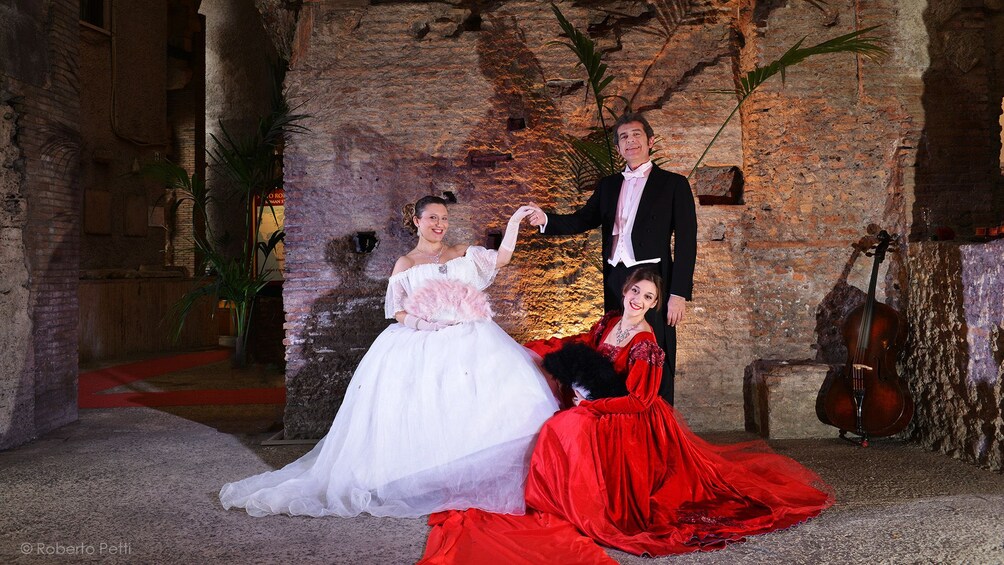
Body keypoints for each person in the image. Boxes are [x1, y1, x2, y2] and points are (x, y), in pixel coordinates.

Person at [421, 268, 833, 562]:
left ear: (655, 305)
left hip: (631, 420)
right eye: (635, 292)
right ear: (626, 291)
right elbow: (585, 342)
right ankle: (558, 498)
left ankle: (574, 504)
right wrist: (542, 347)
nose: (638, 301)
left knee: (563, 427)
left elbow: (639, 400)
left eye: (648, 298)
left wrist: (593, 407)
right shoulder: (612, 322)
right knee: (553, 420)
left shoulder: (645, 343)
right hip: (605, 406)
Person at [219, 196, 559, 518]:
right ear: (417, 221)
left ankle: (470, 473)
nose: (439, 225)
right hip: (423, 340)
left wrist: (515, 221)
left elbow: (501, 258)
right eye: (432, 218)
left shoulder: (460, 252)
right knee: (425, 409)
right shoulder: (406, 263)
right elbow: (397, 310)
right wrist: (421, 323)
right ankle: (424, 476)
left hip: (471, 337)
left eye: (444, 219)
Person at [526, 111, 697, 405]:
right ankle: (621, 421)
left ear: (650, 141)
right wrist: (546, 220)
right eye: (623, 137)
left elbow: (686, 242)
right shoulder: (607, 185)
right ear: (618, 148)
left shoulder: (674, 184)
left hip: (654, 281)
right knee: (616, 350)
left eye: (636, 135)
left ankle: (660, 424)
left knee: (657, 353)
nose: (630, 141)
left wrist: (678, 294)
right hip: (616, 278)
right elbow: (582, 220)